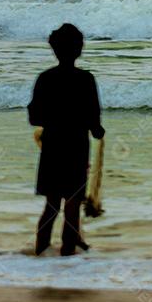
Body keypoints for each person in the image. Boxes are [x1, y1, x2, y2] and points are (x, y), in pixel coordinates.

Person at [28, 23, 104, 256]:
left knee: (51, 204)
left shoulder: (45, 79)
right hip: (76, 146)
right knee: (72, 204)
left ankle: (40, 251)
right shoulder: (86, 79)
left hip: (53, 145)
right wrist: (97, 130)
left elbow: (34, 117)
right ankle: (67, 257)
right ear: (79, 49)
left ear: (54, 49)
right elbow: (94, 121)